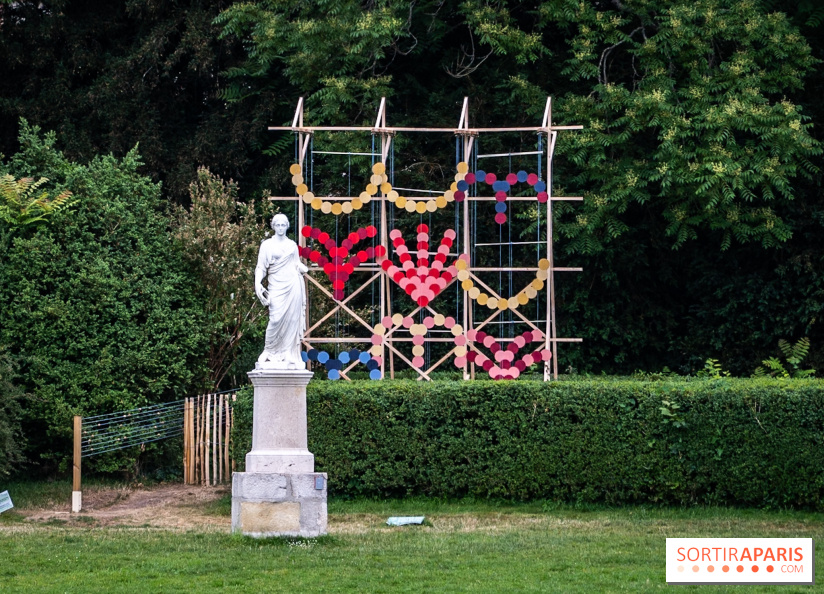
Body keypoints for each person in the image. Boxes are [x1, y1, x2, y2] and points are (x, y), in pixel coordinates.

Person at [254, 214, 308, 369]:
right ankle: (269, 351)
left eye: (283, 225)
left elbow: (296, 263)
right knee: (275, 319)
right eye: (277, 225)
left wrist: (302, 268)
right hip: (276, 286)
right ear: (273, 226)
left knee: (292, 320)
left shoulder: (292, 245)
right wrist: (257, 283)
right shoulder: (267, 245)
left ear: (287, 226)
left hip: (293, 285)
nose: (280, 228)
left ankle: (288, 353)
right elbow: (261, 267)